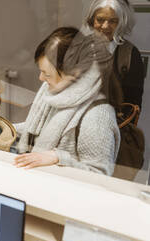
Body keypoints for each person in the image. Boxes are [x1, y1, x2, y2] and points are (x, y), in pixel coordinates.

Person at [14, 27, 120, 176]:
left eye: (47, 74)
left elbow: (99, 175)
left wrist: (59, 157)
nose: (41, 78)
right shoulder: (54, 92)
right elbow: (37, 128)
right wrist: (4, 128)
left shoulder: (97, 116)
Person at [84, 0, 145, 109]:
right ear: (92, 20)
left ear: (122, 23)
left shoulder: (130, 55)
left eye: (113, 21)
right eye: (100, 20)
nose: (105, 26)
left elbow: (132, 106)